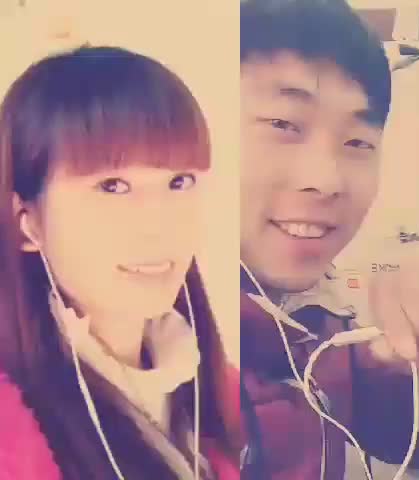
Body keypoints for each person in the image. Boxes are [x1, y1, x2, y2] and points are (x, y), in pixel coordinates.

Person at [240, 1, 419, 479]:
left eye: (357, 143)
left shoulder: (314, 316)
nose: (327, 181)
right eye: (284, 125)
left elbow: (406, 432)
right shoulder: (145, 349)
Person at [0, 45, 240, 480]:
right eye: (112, 186)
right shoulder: (10, 427)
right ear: (27, 222)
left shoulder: (220, 388)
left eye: (179, 181)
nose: (159, 225)